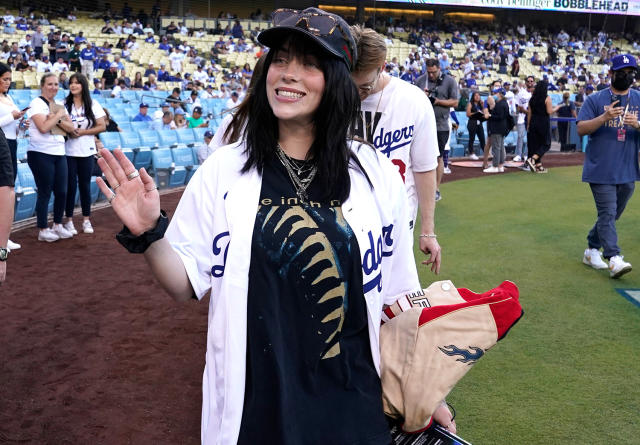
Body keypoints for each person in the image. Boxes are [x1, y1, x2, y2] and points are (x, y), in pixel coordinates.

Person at [95, 8, 452, 444]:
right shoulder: (224, 169)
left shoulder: (376, 175)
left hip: (352, 404)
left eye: (309, 63)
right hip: (256, 410)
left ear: (337, 79)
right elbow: (184, 282)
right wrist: (148, 231)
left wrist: (429, 394)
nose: (289, 74)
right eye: (280, 59)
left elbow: (398, 297)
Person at [350, 26, 441, 273]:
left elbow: (424, 169)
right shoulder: (330, 95)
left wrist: (428, 230)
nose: (357, 94)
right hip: (344, 221)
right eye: (350, 83)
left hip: (394, 226)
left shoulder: (412, 100)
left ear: (382, 66)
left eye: (364, 86)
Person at [577, 54, 640, 278]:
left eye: (630, 71)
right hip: (601, 168)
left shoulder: (639, 99)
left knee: (611, 215)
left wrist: (638, 124)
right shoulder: (595, 100)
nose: (627, 76)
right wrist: (603, 117)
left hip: (628, 169)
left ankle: (592, 249)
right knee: (608, 212)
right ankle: (614, 258)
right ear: (611, 74)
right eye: (622, 71)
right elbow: (581, 129)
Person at [27, 73, 77, 242]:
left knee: (62, 191)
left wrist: (55, 119)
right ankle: (42, 229)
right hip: (40, 152)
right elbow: (43, 127)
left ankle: (57, 224)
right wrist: (57, 117)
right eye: (50, 84)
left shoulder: (58, 105)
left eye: (56, 84)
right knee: (45, 191)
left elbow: (71, 128)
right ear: (42, 85)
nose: (54, 87)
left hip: (59, 152)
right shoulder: (36, 103)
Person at [63, 73, 106, 235]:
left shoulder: (92, 104)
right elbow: (57, 124)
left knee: (85, 186)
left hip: (87, 151)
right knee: (70, 187)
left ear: (83, 85)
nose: (73, 85)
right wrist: (69, 131)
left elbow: (102, 126)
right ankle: (68, 220)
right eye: (71, 83)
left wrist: (84, 132)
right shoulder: (64, 104)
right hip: (68, 151)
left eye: (77, 83)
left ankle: (86, 220)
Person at [416, 58, 459, 202]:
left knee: (438, 157)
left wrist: (437, 101)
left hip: (440, 125)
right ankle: (420, 187)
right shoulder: (421, 80)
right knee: (419, 155)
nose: (431, 75)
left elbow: (455, 102)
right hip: (422, 124)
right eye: (429, 72)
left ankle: (435, 189)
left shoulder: (449, 81)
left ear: (439, 68)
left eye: (434, 72)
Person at [0, 62, 28, 251]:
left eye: (9, 79)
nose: (8, 83)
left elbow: (12, 126)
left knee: (9, 188)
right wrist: (13, 117)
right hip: (1, 144)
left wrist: (21, 125)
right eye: (4, 79)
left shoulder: (8, 97)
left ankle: (4, 236)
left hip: (12, 143)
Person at [526, 80, 561, 173]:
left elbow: (529, 113)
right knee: (546, 143)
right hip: (543, 122)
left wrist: (528, 124)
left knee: (536, 144)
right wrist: (557, 108)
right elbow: (549, 111)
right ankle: (533, 159)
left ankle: (539, 165)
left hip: (533, 122)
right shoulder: (547, 98)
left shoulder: (532, 98)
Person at [483, 87, 509, 173]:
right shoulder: (504, 103)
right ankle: (500, 165)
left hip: (497, 128)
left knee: (496, 148)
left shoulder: (500, 104)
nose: (494, 95)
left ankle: (495, 166)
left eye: (496, 93)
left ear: (500, 94)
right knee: (500, 147)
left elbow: (499, 117)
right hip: (502, 128)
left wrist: (490, 116)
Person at [514, 76, 534, 162]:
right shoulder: (521, 93)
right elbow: (517, 106)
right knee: (520, 136)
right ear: (525, 82)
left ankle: (526, 154)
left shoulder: (535, 93)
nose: (530, 82)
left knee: (530, 137)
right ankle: (518, 154)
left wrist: (526, 111)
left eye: (531, 81)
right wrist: (523, 110)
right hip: (522, 118)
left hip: (532, 118)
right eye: (528, 81)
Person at [465, 91, 486, 160]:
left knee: (482, 139)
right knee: (472, 138)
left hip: (479, 123)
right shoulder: (470, 103)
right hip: (472, 123)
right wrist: (476, 113)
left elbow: (485, 113)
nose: (477, 97)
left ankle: (486, 153)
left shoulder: (480, 104)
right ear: (473, 97)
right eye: (475, 95)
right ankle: (471, 153)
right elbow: (468, 114)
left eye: (478, 95)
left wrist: (483, 106)